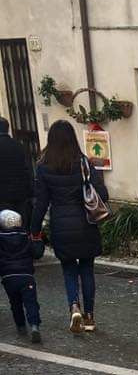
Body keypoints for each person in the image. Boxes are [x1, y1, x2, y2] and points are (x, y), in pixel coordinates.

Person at [30, 120, 108, 334]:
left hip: (60, 226)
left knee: (68, 270)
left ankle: (74, 306)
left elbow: (41, 203)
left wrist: (34, 230)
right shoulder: (83, 163)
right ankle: (90, 317)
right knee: (87, 269)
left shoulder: (43, 167)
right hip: (85, 224)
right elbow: (104, 194)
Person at [0, 209, 44, 343]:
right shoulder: (26, 237)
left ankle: (20, 325)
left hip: (8, 277)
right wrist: (38, 241)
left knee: (15, 302)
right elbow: (37, 253)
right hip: (26, 275)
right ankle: (35, 325)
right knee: (31, 302)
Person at [0, 117, 33, 227]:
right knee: (21, 228)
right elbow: (27, 169)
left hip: (2, 198)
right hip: (20, 196)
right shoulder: (18, 146)